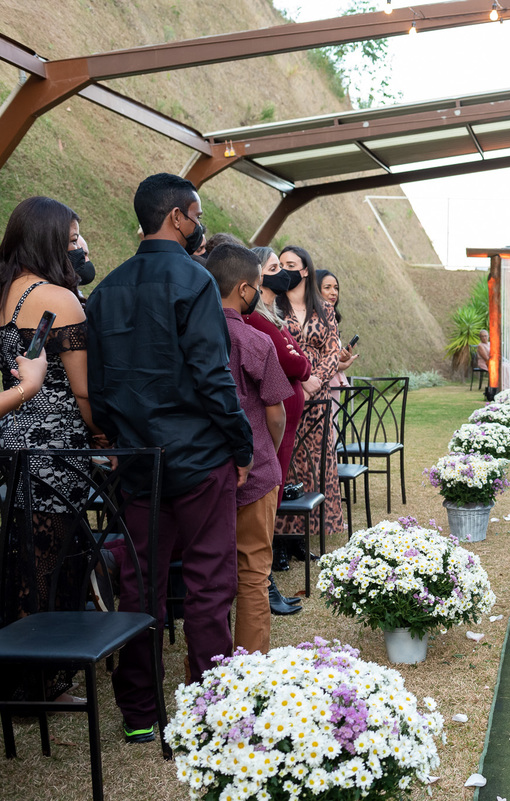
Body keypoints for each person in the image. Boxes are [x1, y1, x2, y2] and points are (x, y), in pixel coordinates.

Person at [87, 173, 253, 743]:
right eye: (197, 212)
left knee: (139, 586)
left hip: (137, 461)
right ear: (179, 217)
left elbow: (100, 387)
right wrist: (240, 444)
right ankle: (212, 710)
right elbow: (213, 376)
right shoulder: (194, 280)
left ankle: (139, 713)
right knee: (209, 584)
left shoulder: (105, 289)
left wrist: (116, 434)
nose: (199, 222)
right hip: (200, 456)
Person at [0, 197, 95, 705]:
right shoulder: (59, 297)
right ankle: (40, 682)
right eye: (72, 236)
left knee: (18, 561)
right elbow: (82, 392)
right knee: (54, 564)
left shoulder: (4, 294)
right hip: (57, 451)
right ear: (49, 239)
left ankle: (19, 673)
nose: (78, 246)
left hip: (10, 445)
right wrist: (103, 438)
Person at [205, 244, 292, 652]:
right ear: (244, 290)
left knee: (209, 575)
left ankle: (209, 666)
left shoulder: (192, 338)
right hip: (256, 470)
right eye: (259, 284)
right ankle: (251, 667)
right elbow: (276, 414)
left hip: (205, 471)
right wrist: (268, 452)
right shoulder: (257, 341)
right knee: (254, 574)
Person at [250, 247, 310, 607]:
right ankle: (264, 580)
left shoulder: (272, 316)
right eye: (273, 268)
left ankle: (266, 576)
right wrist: (299, 363)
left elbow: (298, 360)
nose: (280, 274)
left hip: (285, 423)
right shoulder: (259, 321)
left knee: (274, 491)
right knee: (267, 496)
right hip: (275, 422)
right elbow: (296, 365)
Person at [274, 245, 344, 547]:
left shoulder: (324, 309)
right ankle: (283, 535)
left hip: (318, 394)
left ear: (305, 270)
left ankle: (308, 531)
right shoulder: (274, 306)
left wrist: (316, 379)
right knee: (287, 459)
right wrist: (300, 382)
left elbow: (333, 350)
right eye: (280, 264)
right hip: (287, 391)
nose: (285, 269)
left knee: (316, 460)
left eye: (291, 264)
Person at [315, 268, 356, 387]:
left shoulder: (332, 319)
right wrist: (340, 364)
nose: (334, 292)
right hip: (319, 385)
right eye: (327, 288)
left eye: (336, 288)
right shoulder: (313, 322)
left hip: (332, 382)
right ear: (315, 290)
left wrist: (342, 358)